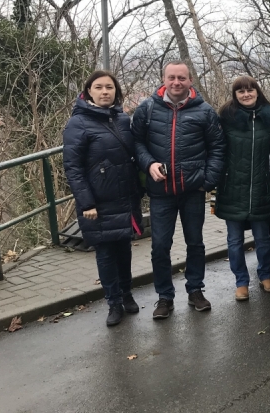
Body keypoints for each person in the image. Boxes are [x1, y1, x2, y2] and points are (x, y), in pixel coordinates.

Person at [131, 61, 225, 319]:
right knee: (160, 246)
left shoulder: (204, 111)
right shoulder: (147, 109)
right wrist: (149, 164)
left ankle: (195, 290)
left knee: (195, 243)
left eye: (181, 78)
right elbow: (136, 142)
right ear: (164, 79)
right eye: (171, 77)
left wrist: (207, 181)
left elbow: (217, 148)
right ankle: (164, 297)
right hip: (161, 192)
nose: (176, 82)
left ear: (190, 80)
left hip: (193, 190)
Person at [63, 70, 144, 327]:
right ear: (89, 93)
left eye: (109, 87)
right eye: (98, 87)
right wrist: (86, 202)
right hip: (97, 203)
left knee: (124, 250)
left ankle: (127, 295)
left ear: (116, 91)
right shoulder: (78, 123)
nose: (105, 91)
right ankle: (113, 303)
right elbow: (73, 167)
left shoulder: (121, 118)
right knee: (106, 253)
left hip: (125, 197)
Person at [214, 76, 270, 301]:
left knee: (263, 238)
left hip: (262, 185)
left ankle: (265, 275)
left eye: (250, 90)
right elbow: (216, 149)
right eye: (241, 91)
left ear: (257, 92)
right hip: (232, 186)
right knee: (234, 240)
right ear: (235, 95)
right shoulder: (226, 118)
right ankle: (241, 282)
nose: (246, 94)